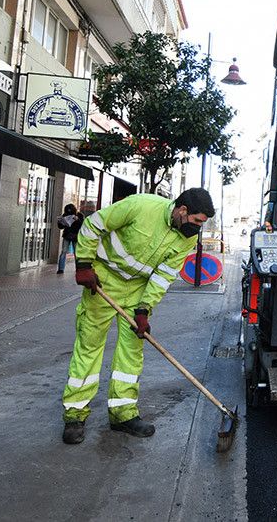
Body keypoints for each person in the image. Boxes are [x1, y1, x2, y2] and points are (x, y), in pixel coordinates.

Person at [60, 189, 214, 444]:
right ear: (182, 210)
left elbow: (163, 276)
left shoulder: (187, 239)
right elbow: (93, 225)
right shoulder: (141, 206)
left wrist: (144, 309)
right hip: (103, 280)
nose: (198, 229)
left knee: (132, 350)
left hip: (137, 289)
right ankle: (75, 415)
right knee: (89, 345)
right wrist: (84, 264)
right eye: (197, 221)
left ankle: (123, 413)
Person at [55, 204, 83, 274]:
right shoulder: (64, 215)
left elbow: (82, 225)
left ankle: (78, 269)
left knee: (76, 253)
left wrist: (78, 220)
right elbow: (60, 227)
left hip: (75, 236)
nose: (69, 212)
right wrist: (60, 222)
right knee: (63, 252)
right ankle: (61, 269)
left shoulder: (79, 215)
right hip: (67, 235)